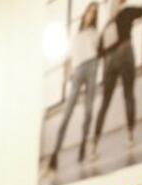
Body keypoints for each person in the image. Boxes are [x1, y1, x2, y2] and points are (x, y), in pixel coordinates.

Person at [91, 0, 142, 161]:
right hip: (118, 55)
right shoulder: (118, 18)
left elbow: (99, 53)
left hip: (115, 57)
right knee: (124, 97)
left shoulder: (117, 19)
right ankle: (124, 137)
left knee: (114, 100)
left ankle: (100, 143)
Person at [48, 2, 101, 171]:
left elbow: (99, 52)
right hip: (78, 70)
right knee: (67, 113)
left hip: (91, 67)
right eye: (89, 12)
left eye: (94, 13)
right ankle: (54, 154)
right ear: (85, 14)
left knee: (88, 111)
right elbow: (68, 59)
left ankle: (83, 146)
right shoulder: (75, 36)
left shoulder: (95, 33)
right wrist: (68, 75)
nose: (91, 15)